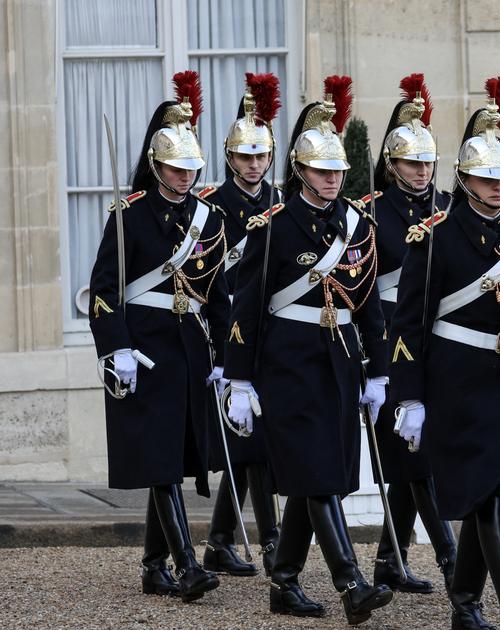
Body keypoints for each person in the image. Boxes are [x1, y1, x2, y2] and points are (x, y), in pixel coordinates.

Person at [387, 75, 500, 630]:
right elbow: (408, 323)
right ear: (463, 179)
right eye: (485, 178)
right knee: (492, 490)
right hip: (459, 382)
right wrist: (408, 396)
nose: (497, 187)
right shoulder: (435, 237)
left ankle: (464, 605)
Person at [223, 75, 394, 625]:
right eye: (322, 171)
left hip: (340, 360)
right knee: (316, 471)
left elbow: (367, 301)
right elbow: (244, 309)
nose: (332, 180)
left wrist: (379, 370)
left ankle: (286, 581)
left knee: (315, 475)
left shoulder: (356, 225)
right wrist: (239, 379)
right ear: (299, 172)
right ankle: (350, 581)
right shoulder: (272, 227)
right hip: (288, 362)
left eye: (338, 172)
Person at [88, 70, 226, 603]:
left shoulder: (208, 218)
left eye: (191, 167)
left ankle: (152, 565)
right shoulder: (128, 217)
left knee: (169, 456)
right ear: (156, 165)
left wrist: (224, 354)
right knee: (160, 457)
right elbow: (104, 290)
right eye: (175, 166)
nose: (185, 176)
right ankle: (187, 566)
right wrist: (115, 346)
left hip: (190, 349)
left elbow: (219, 291)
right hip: (144, 350)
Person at [365, 72, 458, 596]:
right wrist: (376, 362)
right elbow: (365, 294)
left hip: (438, 348)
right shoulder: (372, 214)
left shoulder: (447, 209)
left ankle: (388, 561)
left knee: (410, 455)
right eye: (410, 163)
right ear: (392, 164)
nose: (421, 171)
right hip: (393, 347)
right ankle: (449, 558)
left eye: (426, 162)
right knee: (415, 456)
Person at [200, 71, 282, 578]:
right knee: (247, 440)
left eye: (260, 156)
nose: (253, 165)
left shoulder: (283, 204)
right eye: (245, 157)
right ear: (230, 159)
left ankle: (219, 541)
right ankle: (270, 541)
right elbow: (204, 279)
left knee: (259, 438)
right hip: (228, 332)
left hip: (276, 334)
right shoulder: (211, 209)